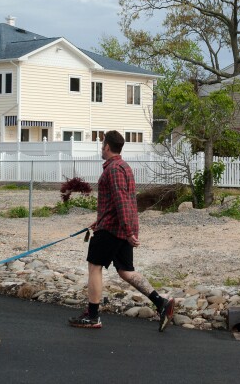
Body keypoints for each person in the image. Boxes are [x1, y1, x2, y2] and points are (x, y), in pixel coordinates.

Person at [68, 130, 175, 331]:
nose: (101, 148)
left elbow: (122, 202)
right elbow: (121, 201)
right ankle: (161, 303)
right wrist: (101, 220)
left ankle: (93, 316)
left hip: (112, 230)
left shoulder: (114, 169)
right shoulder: (123, 167)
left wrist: (127, 232)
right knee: (126, 271)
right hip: (116, 226)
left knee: (94, 266)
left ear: (107, 146)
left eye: (102, 145)